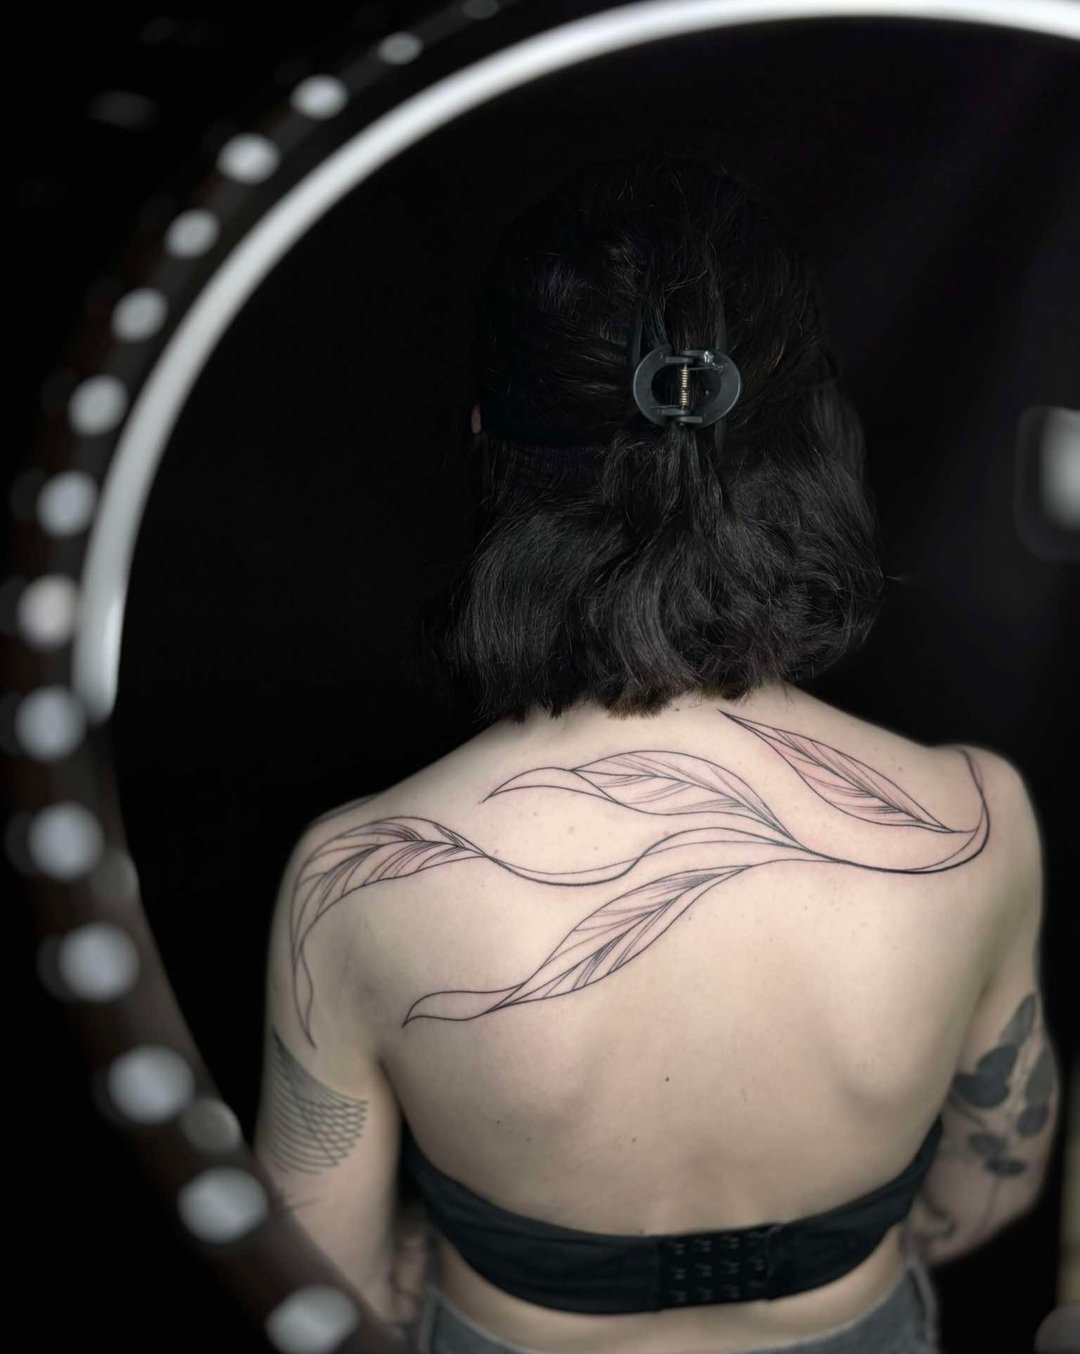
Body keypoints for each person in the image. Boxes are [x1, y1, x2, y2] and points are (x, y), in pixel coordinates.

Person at [259, 155, 1061, 1354]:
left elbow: (315, 1271)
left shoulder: (357, 879)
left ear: (491, 443)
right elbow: (995, 1180)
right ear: (815, 444)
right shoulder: (972, 823)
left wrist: (423, 1266)